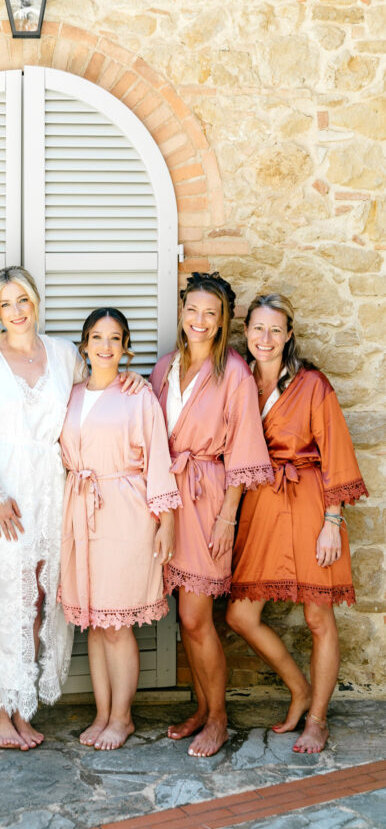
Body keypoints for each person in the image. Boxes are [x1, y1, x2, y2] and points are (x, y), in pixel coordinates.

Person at [0, 266, 146, 750]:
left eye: (22, 299)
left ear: (35, 302)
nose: (16, 311)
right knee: (3, 598)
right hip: (3, 493)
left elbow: (97, 393)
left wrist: (129, 380)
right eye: (5, 304)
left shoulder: (65, 353)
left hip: (53, 490)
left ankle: (24, 706)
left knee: (40, 601)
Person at [227, 292, 367, 755]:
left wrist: (332, 520)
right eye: (257, 328)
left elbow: (336, 455)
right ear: (246, 332)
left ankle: (319, 719)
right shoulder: (238, 379)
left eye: (275, 329)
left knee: (317, 617)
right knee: (240, 615)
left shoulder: (312, 384)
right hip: (261, 505)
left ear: (289, 335)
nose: (265, 338)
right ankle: (299, 688)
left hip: (309, 501)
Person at [149, 271, 273, 758]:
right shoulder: (163, 369)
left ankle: (219, 719)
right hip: (168, 503)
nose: (199, 321)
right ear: (182, 312)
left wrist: (228, 518)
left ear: (223, 323)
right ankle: (202, 707)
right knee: (186, 618)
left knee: (197, 617)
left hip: (208, 501)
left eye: (211, 314)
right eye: (192, 310)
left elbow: (244, 452)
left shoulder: (235, 374)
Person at [59, 308, 181, 751]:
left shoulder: (138, 396)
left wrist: (166, 521)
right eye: (96, 337)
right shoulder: (68, 394)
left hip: (126, 514)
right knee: (94, 623)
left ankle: (123, 717)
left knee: (117, 625)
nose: (105, 346)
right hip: (80, 514)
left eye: (114, 338)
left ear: (125, 345)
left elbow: (159, 463)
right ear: (85, 343)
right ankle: (102, 713)